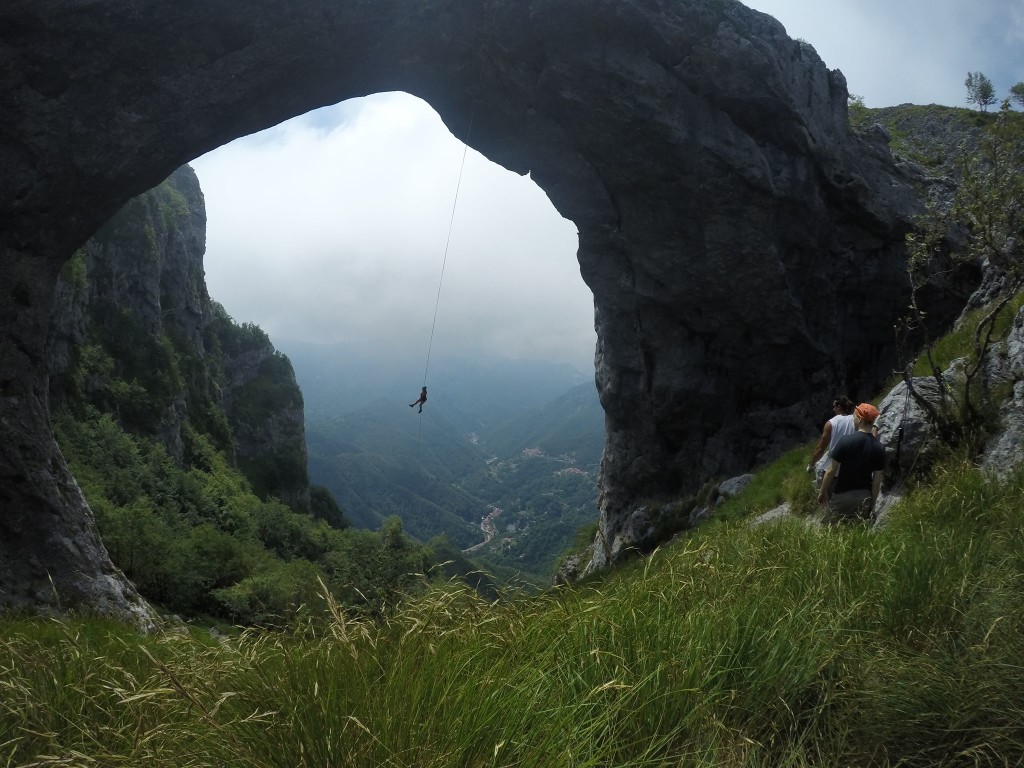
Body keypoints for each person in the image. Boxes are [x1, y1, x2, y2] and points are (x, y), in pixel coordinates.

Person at [816, 402, 886, 524]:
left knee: (828, 530)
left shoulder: (845, 441)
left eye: (854, 416)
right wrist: (872, 505)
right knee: (856, 530)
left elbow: (831, 471)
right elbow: (876, 482)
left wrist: (822, 492)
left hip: (843, 495)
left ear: (859, 419)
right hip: (864, 496)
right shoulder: (879, 447)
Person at [807, 396, 856, 491]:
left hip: (835, 469)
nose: (833, 409)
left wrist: (812, 464)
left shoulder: (831, 423)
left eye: (834, 406)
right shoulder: (856, 419)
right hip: (853, 464)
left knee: (828, 497)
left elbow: (820, 449)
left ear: (839, 407)